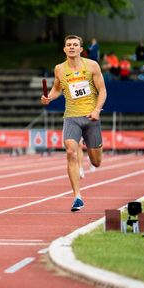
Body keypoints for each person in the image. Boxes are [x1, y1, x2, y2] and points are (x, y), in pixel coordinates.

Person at [41, 35, 107, 212]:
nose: (71, 47)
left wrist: (96, 110)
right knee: (70, 151)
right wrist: (49, 98)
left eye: (75, 45)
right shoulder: (59, 69)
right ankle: (77, 197)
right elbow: (56, 89)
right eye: (68, 45)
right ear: (64, 49)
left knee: (97, 161)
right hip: (71, 117)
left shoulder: (92, 66)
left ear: (80, 49)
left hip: (91, 117)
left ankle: (89, 147)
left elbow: (102, 91)